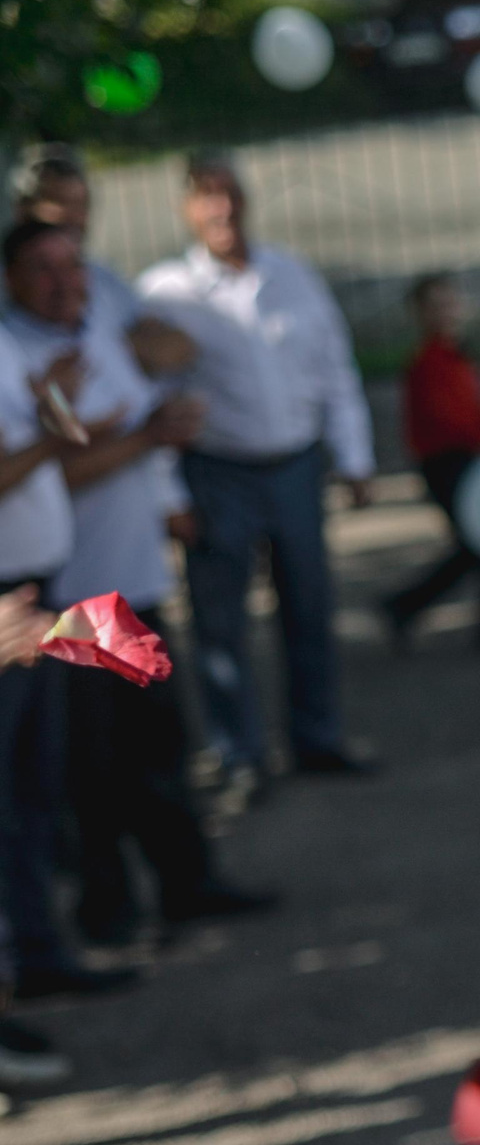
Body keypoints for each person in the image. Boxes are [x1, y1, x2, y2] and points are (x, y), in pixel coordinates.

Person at [4, 221, 275, 946]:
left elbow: (156, 394)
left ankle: (188, 883)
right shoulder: (18, 354)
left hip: (134, 581)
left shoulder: (103, 335)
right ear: (12, 281)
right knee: (89, 766)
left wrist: (163, 482)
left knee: (159, 743)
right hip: (69, 595)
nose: (65, 281)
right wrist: (144, 438)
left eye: (72, 265)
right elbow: (51, 466)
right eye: (42, 269)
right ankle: (107, 909)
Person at [137, 150, 377, 790]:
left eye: (229, 191)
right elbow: (150, 401)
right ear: (187, 208)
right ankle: (238, 752)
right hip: (218, 473)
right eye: (206, 194)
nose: (221, 206)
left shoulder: (292, 275)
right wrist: (166, 493)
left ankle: (317, 736)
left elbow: (334, 369)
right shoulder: (167, 293)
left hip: (295, 464)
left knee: (310, 605)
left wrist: (354, 455)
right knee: (220, 619)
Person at [0, 268, 138, 1009]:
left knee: (35, 793)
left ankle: (36, 956)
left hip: (34, 596)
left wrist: (53, 410)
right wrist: (52, 435)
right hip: (6, 608)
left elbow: (61, 430)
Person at [383, 274, 480, 650]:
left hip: (468, 460)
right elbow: (451, 423)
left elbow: (471, 414)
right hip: (448, 464)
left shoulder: (456, 356)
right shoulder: (428, 363)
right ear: (420, 314)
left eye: (450, 303)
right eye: (436, 306)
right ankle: (409, 606)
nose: (447, 312)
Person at [12, 144, 138, 328]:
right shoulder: (8, 287)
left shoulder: (104, 279)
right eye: (60, 202)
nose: (74, 217)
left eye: (81, 205)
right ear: (23, 210)